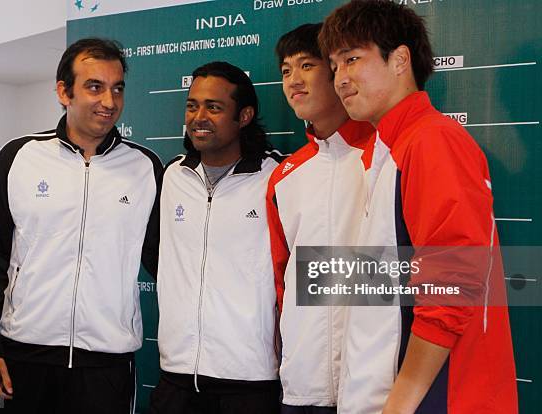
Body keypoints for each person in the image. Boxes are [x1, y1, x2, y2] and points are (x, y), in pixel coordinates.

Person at [319, 1, 518, 412]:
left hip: (439, 397)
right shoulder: (387, 149)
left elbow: (452, 281)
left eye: (352, 59)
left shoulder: (431, 140)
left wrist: (401, 400)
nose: (340, 78)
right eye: (335, 65)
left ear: (400, 60)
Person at [0, 38, 162, 413]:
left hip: (107, 364)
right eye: (94, 87)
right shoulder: (18, 157)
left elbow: (170, 263)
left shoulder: (146, 168)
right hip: (22, 357)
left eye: (117, 88)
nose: (109, 102)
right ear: (63, 91)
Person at [150, 61, 282, 414]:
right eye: (192, 105)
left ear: (244, 115)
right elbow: (156, 255)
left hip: (248, 383)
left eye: (214, 107)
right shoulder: (172, 177)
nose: (198, 117)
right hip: (176, 378)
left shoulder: (278, 178)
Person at [266, 24, 373, 413]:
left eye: (306, 65)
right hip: (302, 386)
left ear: (336, 71)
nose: (294, 80)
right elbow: (282, 282)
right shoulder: (285, 175)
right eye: (285, 70)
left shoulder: (385, 155)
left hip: (370, 387)